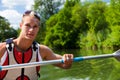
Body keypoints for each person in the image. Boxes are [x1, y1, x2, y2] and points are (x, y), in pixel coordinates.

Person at [0, 10, 73, 80]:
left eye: (35, 26)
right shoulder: (2, 49)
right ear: (21, 25)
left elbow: (65, 65)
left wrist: (67, 59)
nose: (31, 30)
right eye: (27, 25)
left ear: (38, 29)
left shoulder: (42, 51)